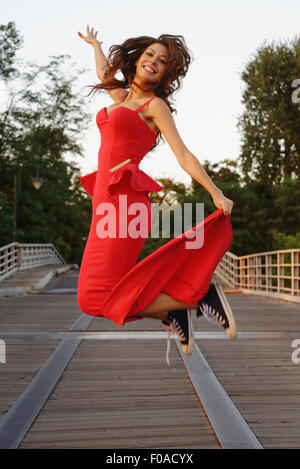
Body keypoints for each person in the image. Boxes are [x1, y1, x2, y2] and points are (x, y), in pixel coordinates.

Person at [77, 26, 236, 365]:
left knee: (96, 297)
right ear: (137, 60)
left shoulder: (155, 106)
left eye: (162, 61)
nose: (153, 61)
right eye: (149, 55)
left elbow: (183, 155)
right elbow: (104, 74)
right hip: (104, 203)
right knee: (94, 296)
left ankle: (196, 297)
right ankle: (172, 311)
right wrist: (95, 45)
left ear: (167, 72)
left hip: (125, 205)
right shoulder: (122, 98)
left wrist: (215, 192)